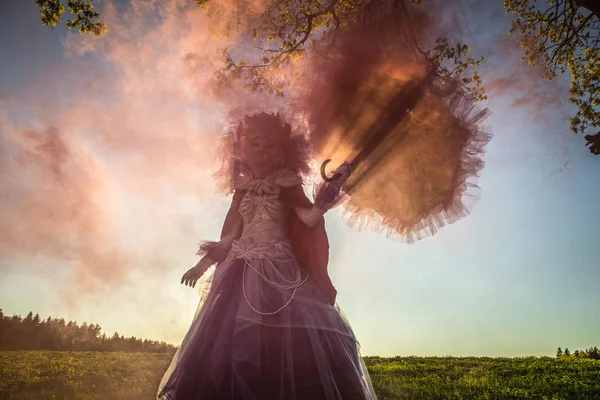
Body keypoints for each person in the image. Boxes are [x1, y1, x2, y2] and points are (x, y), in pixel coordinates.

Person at [157, 112, 377, 400]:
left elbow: (308, 219)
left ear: (283, 150)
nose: (262, 151)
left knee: (298, 339)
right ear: (243, 148)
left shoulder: (288, 183)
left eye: (270, 145)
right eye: (255, 144)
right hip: (239, 270)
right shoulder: (241, 191)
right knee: (231, 343)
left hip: (281, 268)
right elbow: (228, 237)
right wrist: (202, 265)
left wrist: (328, 193)